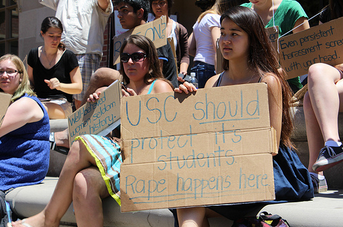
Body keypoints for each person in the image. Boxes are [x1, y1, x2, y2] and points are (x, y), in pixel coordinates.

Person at [12, 34, 174, 227]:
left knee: (80, 144)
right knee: (82, 181)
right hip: (119, 161)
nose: (129, 62)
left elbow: (168, 135)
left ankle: (49, 218)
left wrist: (135, 108)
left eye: (137, 57)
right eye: (124, 58)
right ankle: (49, 217)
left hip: (144, 163)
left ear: (150, 59)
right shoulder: (116, 90)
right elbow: (95, 126)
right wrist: (96, 107)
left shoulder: (159, 87)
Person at [173, 6, 313, 227]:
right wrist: (185, 104)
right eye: (223, 32)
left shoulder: (268, 81)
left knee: (190, 202)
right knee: (186, 198)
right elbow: (204, 137)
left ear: (252, 38)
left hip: (265, 168)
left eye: (234, 34)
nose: (225, 40)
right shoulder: (212, 83)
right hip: (222, 165)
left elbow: (272, 143)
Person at [39, 0, 114, 109]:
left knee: (82, 103)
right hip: (59, 54)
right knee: (57, 98)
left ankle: (82, 126)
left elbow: (105, 4)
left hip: (84, 54)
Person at [303, 0, 343, 194]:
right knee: (315, 70)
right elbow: (322, 52)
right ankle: (332, 143)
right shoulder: (328, 13)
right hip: (336, 71)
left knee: (311, 99)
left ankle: (314, 172)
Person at [0, 54, 50, 192]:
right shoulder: (7, 101)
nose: (4, 75)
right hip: (7, 157)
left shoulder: (25, 103)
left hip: (24, 163)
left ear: (21, 76)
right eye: (0, 71)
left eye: (10, 71)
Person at [241, 0, 310, 93]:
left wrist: (273, 75)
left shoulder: (291, 9)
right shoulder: (241, 11)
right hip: (246, 85)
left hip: (285, 86)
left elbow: (307, 54)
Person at [28, 16, 82, 119]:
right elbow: (30, 83)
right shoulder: (33, 54)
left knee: (40, 109)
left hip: (61, 104)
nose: (55, 40)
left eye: (58, 36)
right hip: (38, 101)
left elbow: (78, 88)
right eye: (51, 36)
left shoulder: (68, 56)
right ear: (42, 34)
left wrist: (59, 85)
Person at [189, 0, 241, 88]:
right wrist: (220, 74)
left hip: (197, 67)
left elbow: (189, 48)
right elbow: (218, 47)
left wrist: (202, 56)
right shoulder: (215, 18)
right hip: (209, 68)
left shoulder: (201, 19)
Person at [150, 0, 189, 75]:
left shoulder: (179, 29)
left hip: (173, 76)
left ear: (169, 4)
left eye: (162, 3)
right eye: (154, 3)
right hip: (152, 76)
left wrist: (182, 71)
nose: (158, 7)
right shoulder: (146, 29)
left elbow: (185, 55)